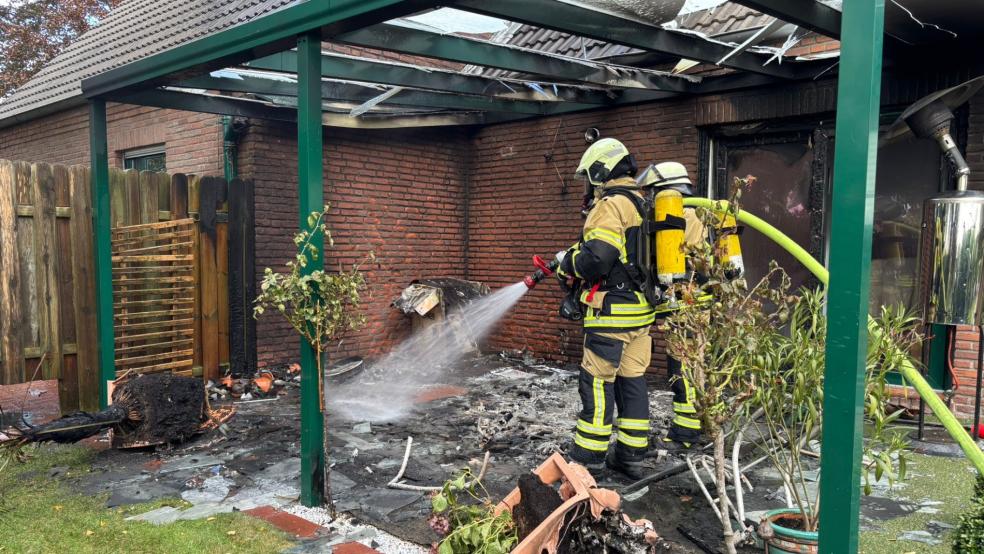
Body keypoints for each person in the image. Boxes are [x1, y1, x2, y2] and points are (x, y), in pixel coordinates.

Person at [557, 138, 655, 480]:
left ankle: (589, 459)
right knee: (633, 383)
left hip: (611, 314)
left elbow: (597, 259)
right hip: (641, 314)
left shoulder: (610, 204)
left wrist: (567, 262)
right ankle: (630, 456)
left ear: (601, 170)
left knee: (597, 384)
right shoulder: (643, 201)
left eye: (590, 176)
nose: (588, 183)